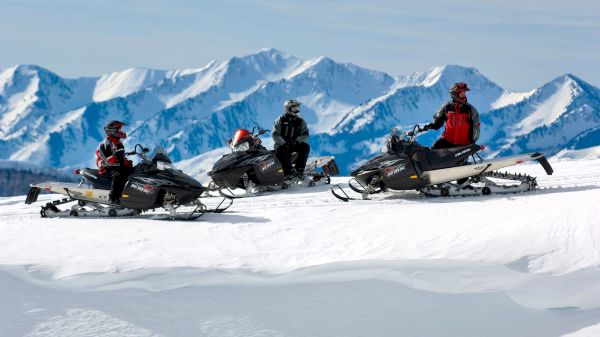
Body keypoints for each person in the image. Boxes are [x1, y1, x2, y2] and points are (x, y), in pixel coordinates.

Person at [423, 82, 480, 149]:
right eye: (461, 93)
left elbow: (476, 128)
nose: (464, 95)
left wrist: (472, 143)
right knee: (432, 153)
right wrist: (430, 125)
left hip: (463, 145)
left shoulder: (470, 110)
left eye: (464, 93)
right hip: (447, 140)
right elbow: (437, 122)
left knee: (458, 159)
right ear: (454, 94)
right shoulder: (446, 107)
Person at [96, 120, 133, 204]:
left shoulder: (116, 142)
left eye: (121, 129)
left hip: (116, 166)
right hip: (106, 168)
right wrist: (118, 157)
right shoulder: (106, 143)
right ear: (113, 131)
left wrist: (127, 162)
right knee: (119, 175)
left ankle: (132, 198)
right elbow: (109, 159)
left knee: (133, 173)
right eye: (119, 129)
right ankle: (113, 199)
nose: (121, 131)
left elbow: (120, 158)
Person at [272, 99, 310, 179]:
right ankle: (288, 172)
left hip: (294, 144)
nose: (296, 110)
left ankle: (300, 169)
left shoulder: (300, 121)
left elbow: (305, 134)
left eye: (297, 108)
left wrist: (296, 141)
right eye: (294, 108)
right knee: (279, 150)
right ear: (288, 108)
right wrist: (284, 143)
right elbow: (275, 134)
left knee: (305, 147)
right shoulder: (280, 120)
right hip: (282, 145)